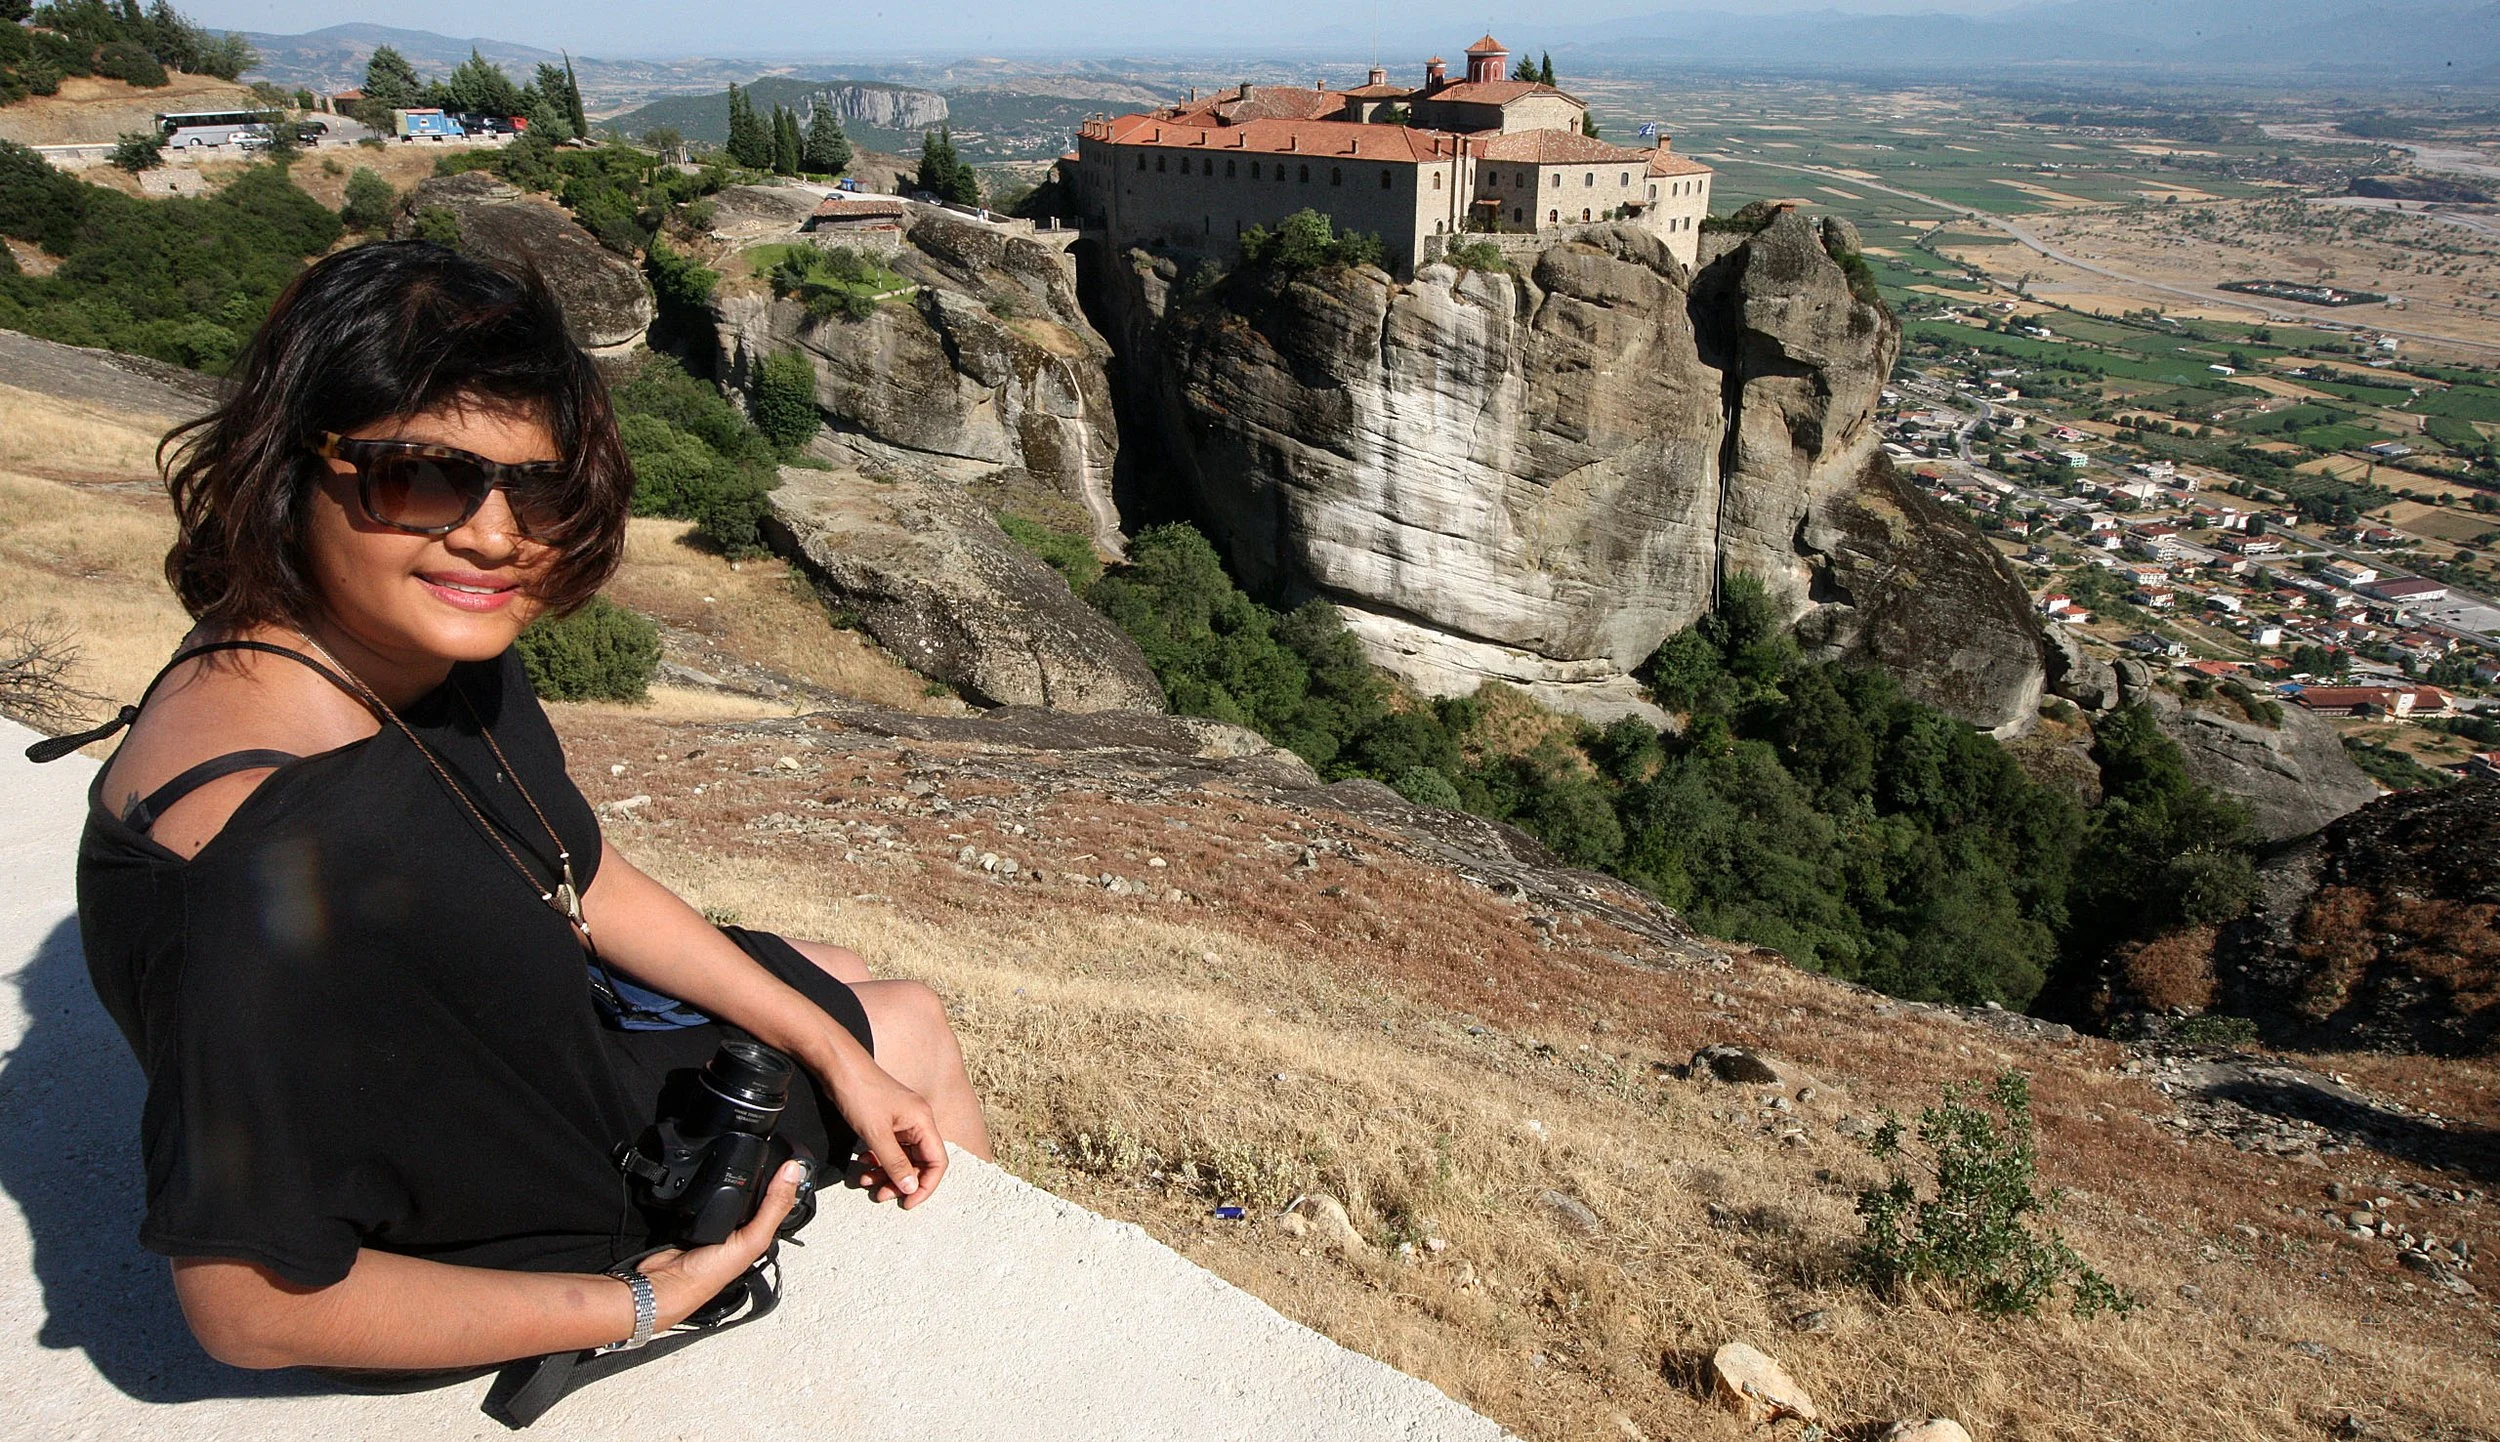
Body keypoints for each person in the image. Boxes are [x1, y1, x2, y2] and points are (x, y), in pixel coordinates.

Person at [68, 240, 991, 1373]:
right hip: (523, 1188)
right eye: (418, 474)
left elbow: (573, 870)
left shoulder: (372, 650)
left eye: (539, 485)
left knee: (831, 978)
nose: (496, 535)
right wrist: (639, 1300)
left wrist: (824, 1048)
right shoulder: (273, 860)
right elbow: (250, 1304)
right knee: (909, 1018)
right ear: (289, 464)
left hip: (494, 1043)